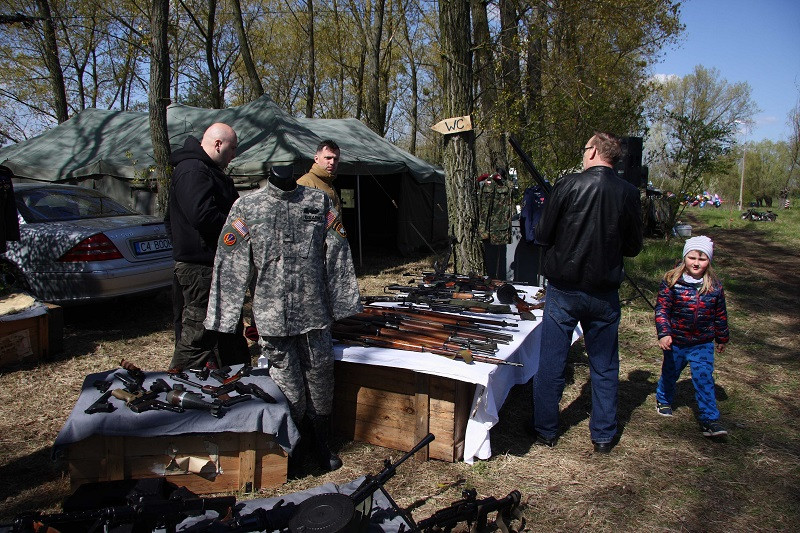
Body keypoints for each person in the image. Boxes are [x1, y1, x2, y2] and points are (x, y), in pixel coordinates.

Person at [204, 165, 361, 472]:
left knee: (321, 382)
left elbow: (338, 251)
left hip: (314, 312)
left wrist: (343, 302)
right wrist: (225, 316)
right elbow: (230, 258)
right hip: (273, 317)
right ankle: (296, 447)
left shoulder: (319, 202)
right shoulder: (247, 206)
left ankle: (321, 443)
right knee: (288, 386)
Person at [532, 131, 643, 453]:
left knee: (552, 361)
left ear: (594, 152)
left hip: (565, 290)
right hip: (603, 292)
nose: (583, 155)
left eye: (584, 149)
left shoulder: (568, 185)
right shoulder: (628, 193)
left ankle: (546, 429)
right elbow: (634, 247)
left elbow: (541, 234)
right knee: (605, 366)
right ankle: (604, 435)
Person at [165, 123, 250, 371]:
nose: (234, 155)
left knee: (229, 327)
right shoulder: (193, 170)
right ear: (217, 144)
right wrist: (240, 229)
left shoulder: (209, 171)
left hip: (213, 262)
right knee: (199, 332)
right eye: (232, 149)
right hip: (201, 267)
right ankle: (177, 383)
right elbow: (202, 216)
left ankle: (236, 374)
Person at [654, 235, 729, 437]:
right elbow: (662, 310)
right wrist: (664, 333)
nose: (696, 263)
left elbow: (720, 314)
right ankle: (663, 397)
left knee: (704, 378)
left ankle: (709, 420)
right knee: (671, 372)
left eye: (702, 259)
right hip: (676, 341)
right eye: (692, 257)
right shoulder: (672, 282)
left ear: (709, 261)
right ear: (685, 257)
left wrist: (722, 337)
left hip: (702, 343)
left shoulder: (714, 286)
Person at [297, 140, 343, 213]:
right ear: (316, 159)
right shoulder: (306, 183)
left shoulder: (329, 183)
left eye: (335, 159)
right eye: (328, 158)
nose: (332, 162)